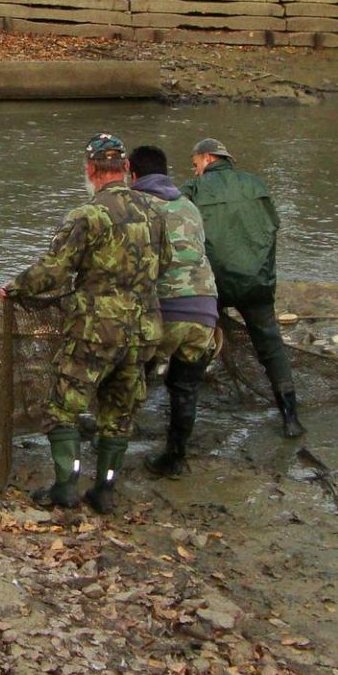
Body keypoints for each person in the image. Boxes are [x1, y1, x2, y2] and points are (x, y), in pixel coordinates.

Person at [3, 133, 166, 514]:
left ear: (92, 170)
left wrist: (15, 287)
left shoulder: (87, 214)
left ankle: (66, 486)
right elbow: (167, 264)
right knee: (119, 411)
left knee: (62, 408)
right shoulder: (155, 214)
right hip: (142, 331)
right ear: (125, 168)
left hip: (96, 330)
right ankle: (105, 490)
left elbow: (55, 271)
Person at [182, 138, 303, 437]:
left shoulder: (193, 190)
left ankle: (184, 420)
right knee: (270, 345)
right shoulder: (256, 184)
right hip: (256, 281)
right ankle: (291, 417)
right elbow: (272, 227)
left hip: (213, 284)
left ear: (208, 158)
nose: (194, 170)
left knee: (195, 344)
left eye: (195, 163)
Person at [129, 146, 221, 479]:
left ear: (132, 174)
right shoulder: (189, 205)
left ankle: (112, 440)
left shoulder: (135, 205)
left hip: (164, 310)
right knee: (185, 388)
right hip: (205, 310)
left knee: (131, 371)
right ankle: (175, 457)